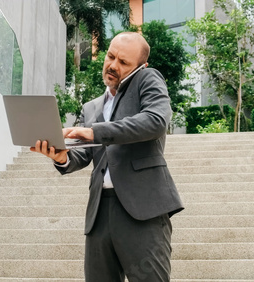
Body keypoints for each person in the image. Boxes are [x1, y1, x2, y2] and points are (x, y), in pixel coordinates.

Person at [31, 32, 184, 282]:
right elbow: (82, 153)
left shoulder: (148, 79)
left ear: (140, 67)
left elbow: (156, 121)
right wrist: (61, 156)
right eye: (111, 56)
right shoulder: (91, 107)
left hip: (142, 209)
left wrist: (93, 131)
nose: (113, 65)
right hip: (100, 210)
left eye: (123, 62)